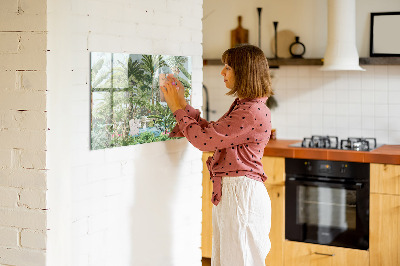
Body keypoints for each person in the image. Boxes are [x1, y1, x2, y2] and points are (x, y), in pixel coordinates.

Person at [161, 44, 273, 266]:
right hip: (236, 193)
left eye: (228, 67)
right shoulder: (246, 106)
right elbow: (212, 133)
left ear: (244, 72)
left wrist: (176, 108)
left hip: (241, 195)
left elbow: (204, 141)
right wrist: (182, 104)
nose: (222, 72)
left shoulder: (250, 111)